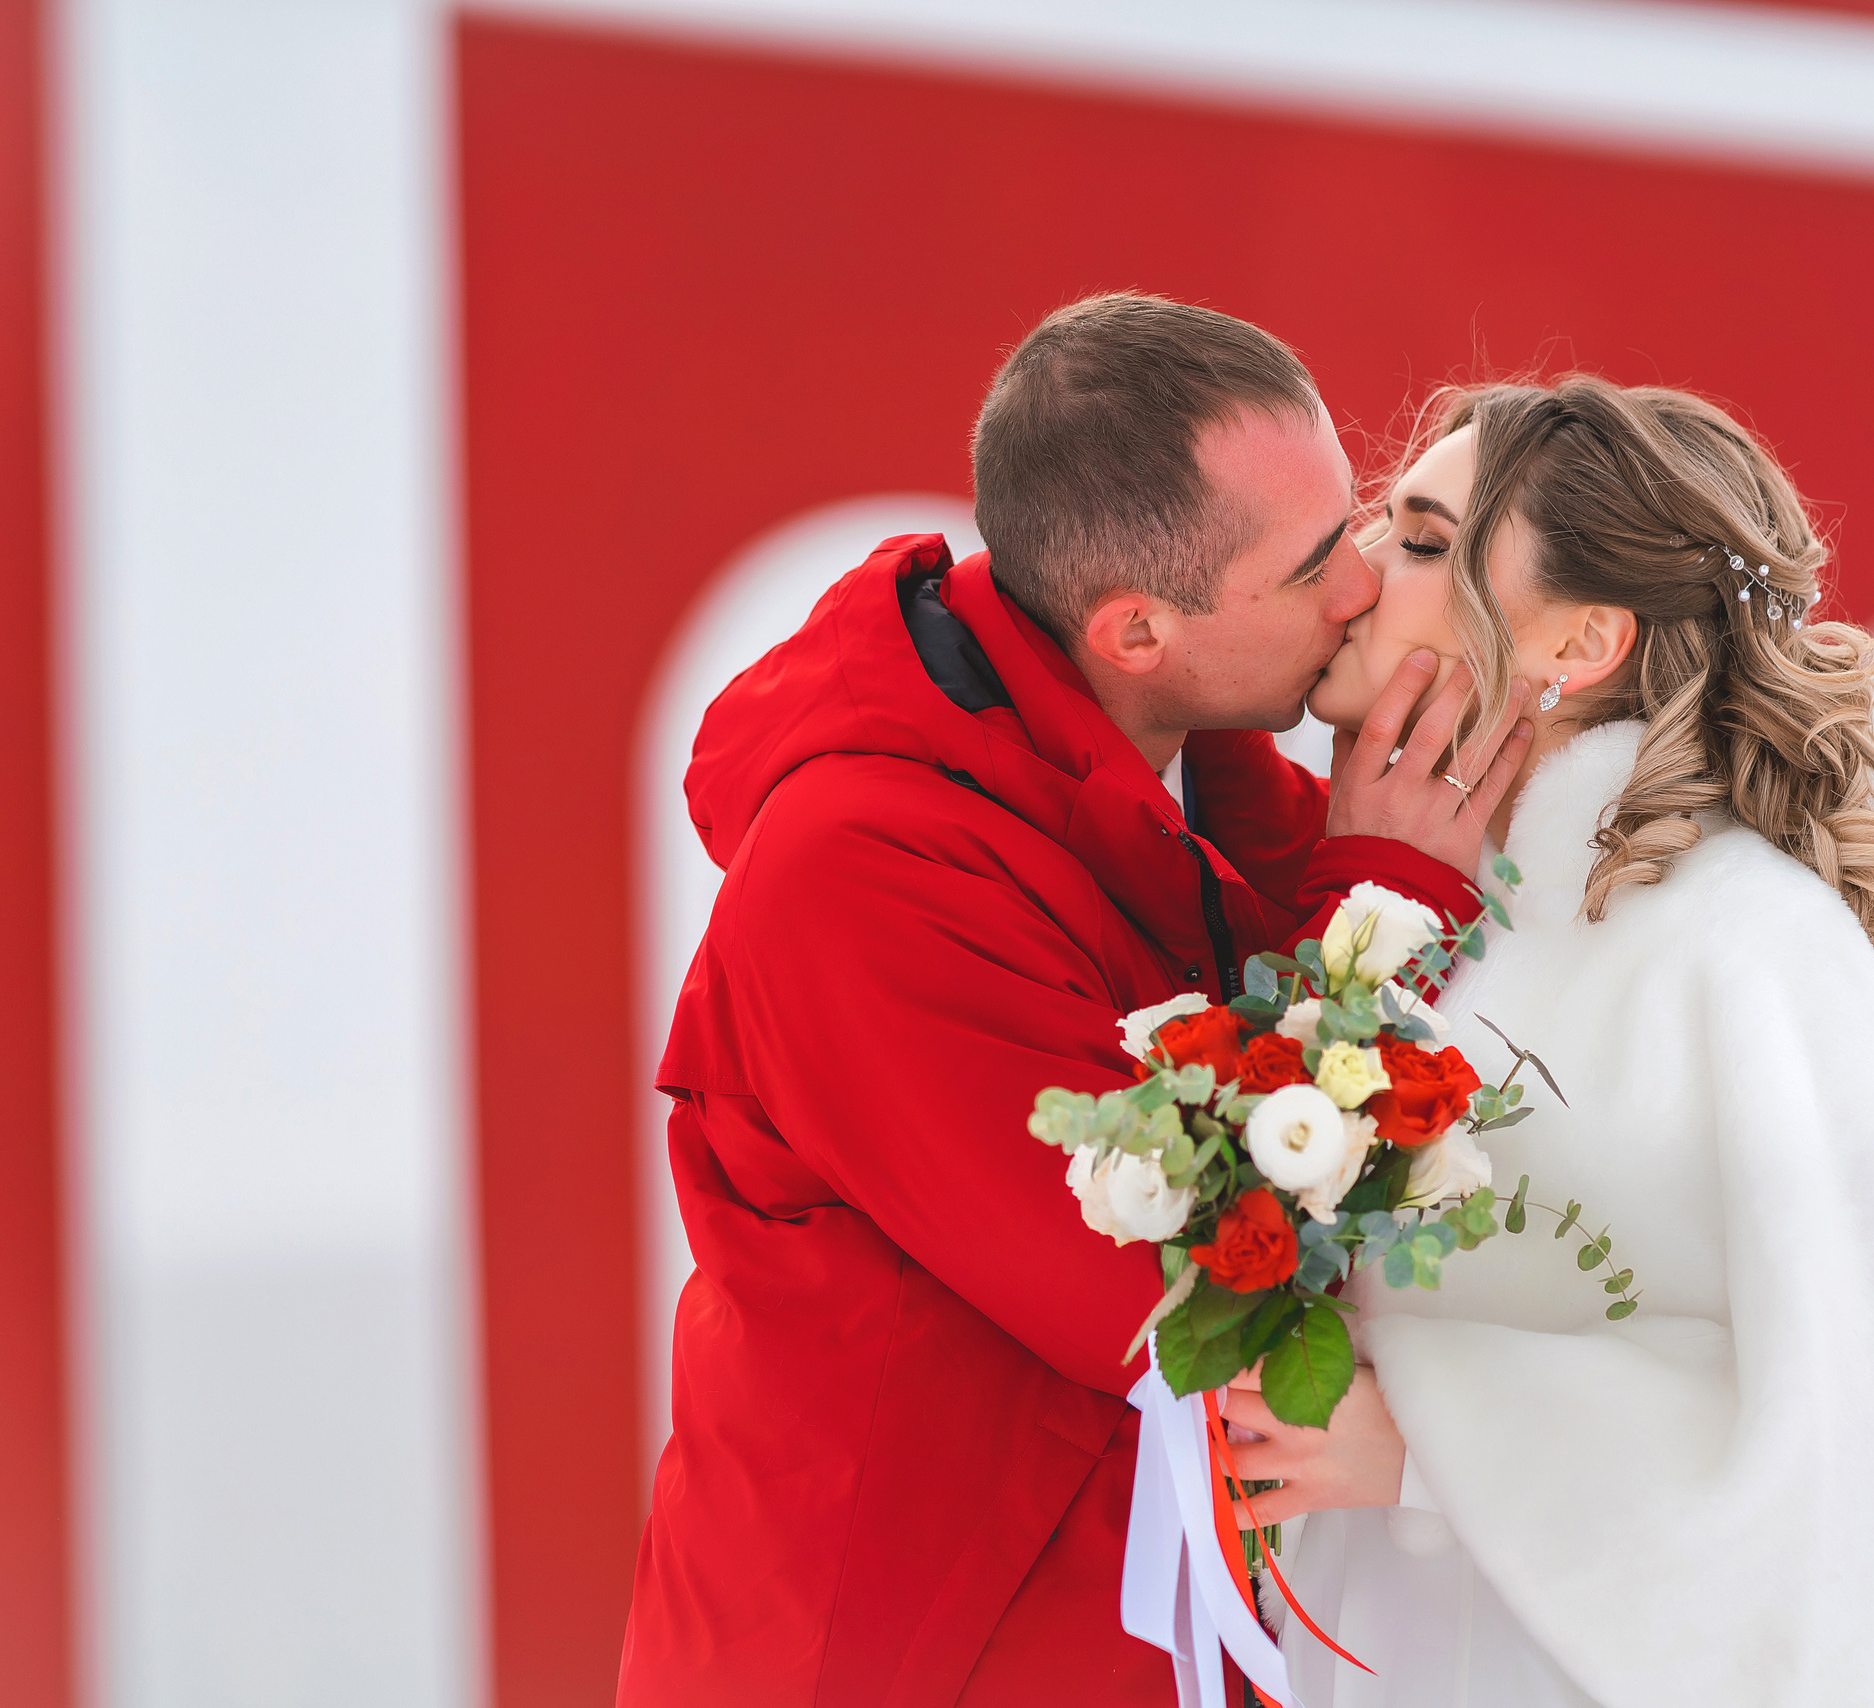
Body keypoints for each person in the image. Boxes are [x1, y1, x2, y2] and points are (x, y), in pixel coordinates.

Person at [616, 294, 1533, 1705]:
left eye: (1356, 526)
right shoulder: (855, 879)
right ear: (1136, 630)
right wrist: (1387, 900)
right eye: (1311, 568)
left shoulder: (1195, 774)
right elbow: (1178, 1291)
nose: (1360, 587)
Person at [1227, 376, 1874, 1705]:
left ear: (1583, 639)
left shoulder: (1752, 943)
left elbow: (1848, 1438)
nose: (1353, 572)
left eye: (1421, 542)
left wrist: (1431, 1451)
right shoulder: (1410, 930)